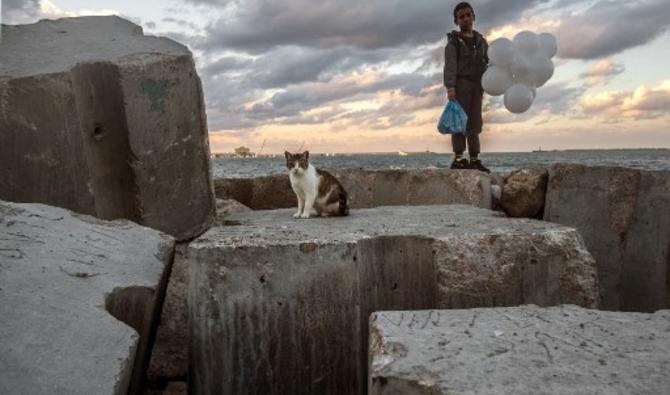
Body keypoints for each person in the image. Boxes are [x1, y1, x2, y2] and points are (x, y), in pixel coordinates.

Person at [443, 1, 490, 173]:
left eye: (468, 15)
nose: (465, 19)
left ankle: (475, 159)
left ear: (474, 17)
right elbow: (450, 65)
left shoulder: (482, 42)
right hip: (460, 84)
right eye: (461, 17)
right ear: (456, 21)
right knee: (459, 122)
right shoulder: (453, 42)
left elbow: (489, 62)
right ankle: (459, 159)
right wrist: (450, 87)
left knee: (475, 122)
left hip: (477, 85)